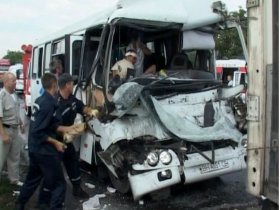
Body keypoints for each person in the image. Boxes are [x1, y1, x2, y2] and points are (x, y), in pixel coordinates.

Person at [38, 73, 98, 206]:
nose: (73, 85)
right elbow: (54, 126)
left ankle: (77, 188)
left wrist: (90, 111)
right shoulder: (54, 103)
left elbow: (81, 107)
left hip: (67, 139)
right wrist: (73, 129)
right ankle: (45, 196)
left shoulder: (71, 98)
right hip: (54, 141)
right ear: (67, 85)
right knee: (53, 169)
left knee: (72, 162)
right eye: (72, 83)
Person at [16, 73, 74, 210]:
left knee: (32, 179)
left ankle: (19, 204)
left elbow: (50, 125)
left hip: (34, 149)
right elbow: (38, 131)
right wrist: (56, 143)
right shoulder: (49, 104)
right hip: (44, 151)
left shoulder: (41, 100)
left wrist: (71, 128)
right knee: (59, 183)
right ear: (54, 85)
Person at [0, 72, 25, 186]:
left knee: (15, 156)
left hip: (14, 130)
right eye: (13, 81)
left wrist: (20, 123)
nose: (15, 83)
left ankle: (14, 179)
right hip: (5, 130)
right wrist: (3, 134)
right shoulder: (2, 95)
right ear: (5, 82)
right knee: (1, 156)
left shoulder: (14, 94)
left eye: (15, 80)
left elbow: (15, 111)